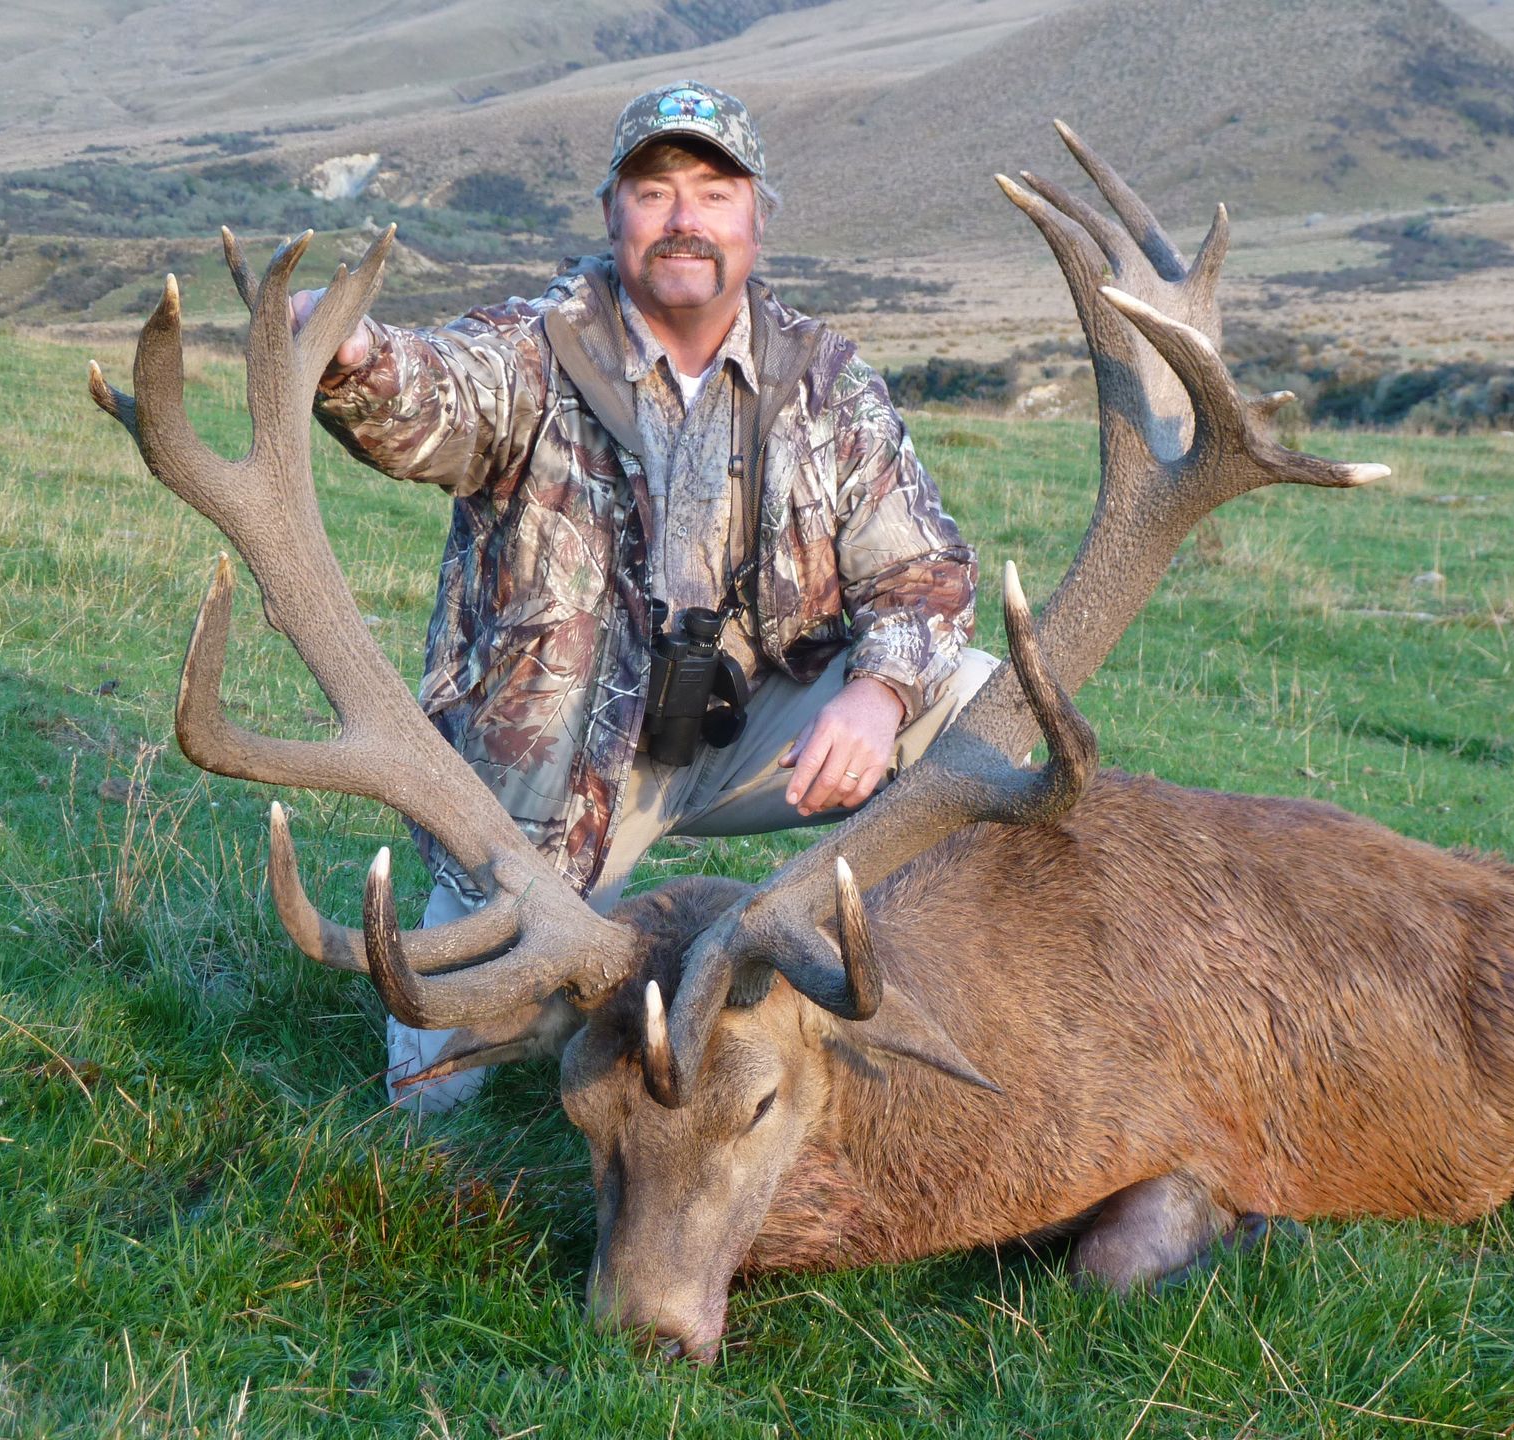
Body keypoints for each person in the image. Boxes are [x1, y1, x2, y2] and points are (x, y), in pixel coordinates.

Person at [296, 81, 993, 1113]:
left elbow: (924, 576)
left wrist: (879, 696)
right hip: (551, 795)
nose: (685, 220)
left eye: (713, 193)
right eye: (656, 191)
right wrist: (356, 358)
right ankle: (551, 979)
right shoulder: (538, 350)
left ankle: (911, 989)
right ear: (613, 213)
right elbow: (436, 396)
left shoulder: (824, 381)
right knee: (438, 1105)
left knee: (983, 708)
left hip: (754, 735)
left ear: (756, 218)